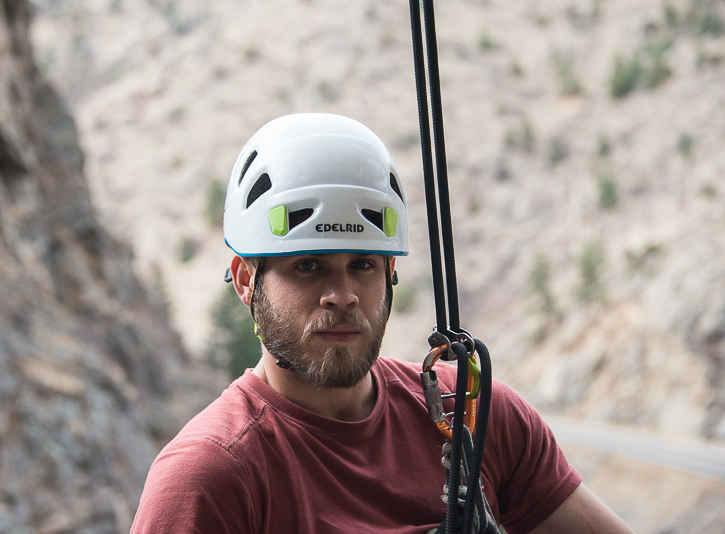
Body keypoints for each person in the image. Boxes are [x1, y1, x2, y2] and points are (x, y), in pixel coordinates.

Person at [131, 113, 632, 534]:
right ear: (245, 280)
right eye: (308, 266)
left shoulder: (475, 417)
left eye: (363, 265)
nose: (342, 295)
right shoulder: (210, 479)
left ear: (391, 272)